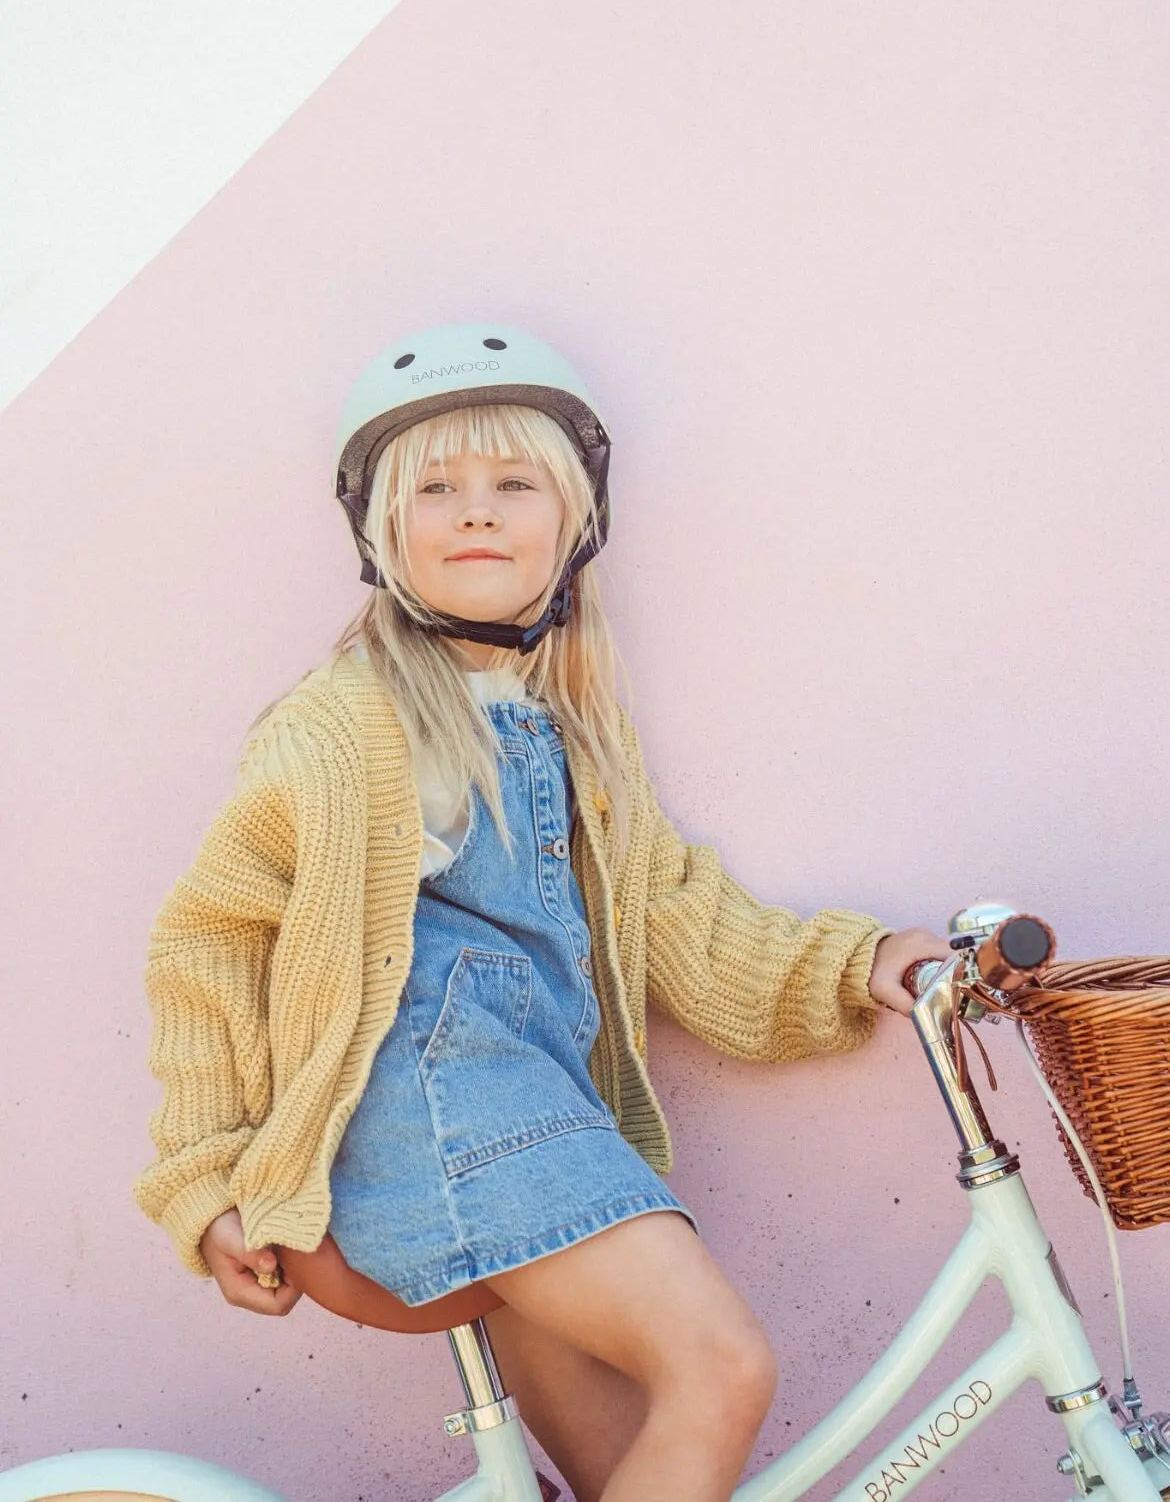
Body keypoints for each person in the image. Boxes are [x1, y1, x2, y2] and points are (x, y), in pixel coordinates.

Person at [134, 322, 949, 1502]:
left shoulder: (569, 735)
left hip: (534, 1120)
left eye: (514, 484)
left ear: (572, 523)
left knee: (644, 1474)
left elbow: (671, 912)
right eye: (439, 487)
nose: (477, 512)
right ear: (382, 532)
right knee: (718, 1368)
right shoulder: (341, 724)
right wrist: (201, 1180)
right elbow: (210, 938)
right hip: (441, 1117)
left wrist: (852, 963)